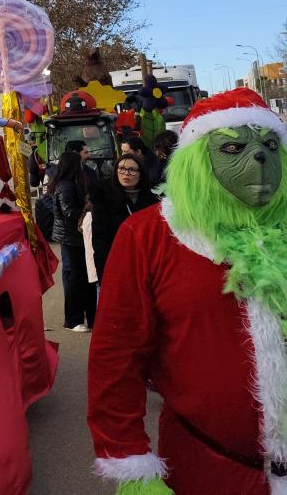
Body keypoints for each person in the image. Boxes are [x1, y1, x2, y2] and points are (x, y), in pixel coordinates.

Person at [88, 88, 287, 493]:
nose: (260, 157)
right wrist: (129, 462)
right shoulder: (149, 234)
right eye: (232, 147)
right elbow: (117, 353)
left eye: (270, 145)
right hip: (207, 468)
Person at [89, 155, 158, 281]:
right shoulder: (104, 198)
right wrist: (104, 275)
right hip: (116, 262)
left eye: (132, 170)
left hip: (146, 264)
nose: (126, 173)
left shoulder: (151, 200)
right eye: (121, 168)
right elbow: (100, 242)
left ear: (140, 174)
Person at [50, 149, 95, 331]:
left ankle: (84, 314)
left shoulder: (72, 183)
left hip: (77, 236)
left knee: (83, 275)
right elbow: (69, 211)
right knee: (74, 276)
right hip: (70, 237)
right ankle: (73, 319)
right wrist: (89, 213)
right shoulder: (65, 186)